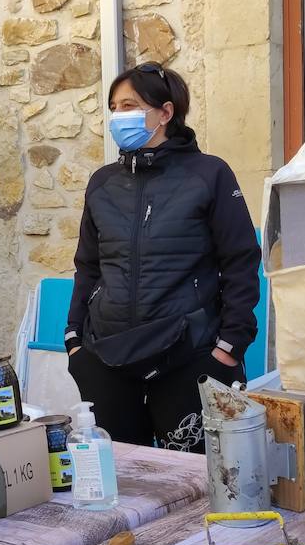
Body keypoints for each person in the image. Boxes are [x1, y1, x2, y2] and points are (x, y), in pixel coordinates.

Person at [64, 63, 261, 450]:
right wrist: (74, 340)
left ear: (165, 113)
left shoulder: (210, 174)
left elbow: (240, 261)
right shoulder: (102, 183)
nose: (119, 116)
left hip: (189, 356)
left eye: (130, 106)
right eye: (115, 108)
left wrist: (229, 347)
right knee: (125, 481)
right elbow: (88, 266)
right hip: (107, 356)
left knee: (198, 484)